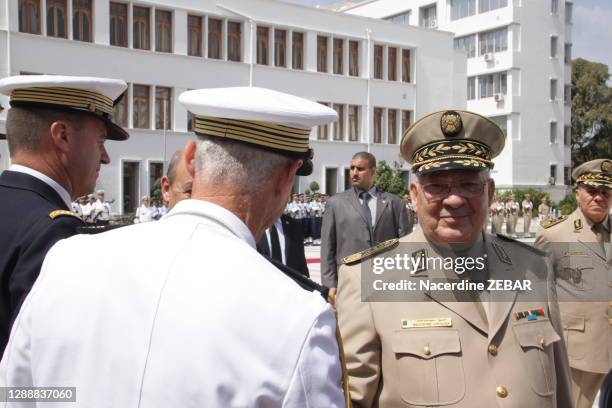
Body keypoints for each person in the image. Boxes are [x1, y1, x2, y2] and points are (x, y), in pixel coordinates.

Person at [0, 86, 345, 407]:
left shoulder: (69, 258)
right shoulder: (299, 318)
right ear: (289, 175)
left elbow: (16, 393)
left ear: (192, 158)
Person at [336, 110, 572, 407]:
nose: (455, 199)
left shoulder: (534, 268)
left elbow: (562, 388)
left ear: (490, 191)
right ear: (414, 195)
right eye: (436, 186)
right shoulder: (366, 278)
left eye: (469, 184)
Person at [0, 75, 128, 356]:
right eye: (101, 140)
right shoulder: (54, 230)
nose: (105, 157)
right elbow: (52, 360)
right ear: (63, 136)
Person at [535, 158, 612, 408]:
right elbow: (538, 292)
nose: (599, 198)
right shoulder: (555, 234)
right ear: (578, 194)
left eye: (605, 192)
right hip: (576, 350)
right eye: (592, 191)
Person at [321, 151, 409, 299]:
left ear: (373, 172)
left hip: (386, 282)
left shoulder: (394, 203)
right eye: (352, 168)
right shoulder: (336, 203)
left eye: (360, 169)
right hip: (349, 284)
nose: (354, 173)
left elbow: (405, 244)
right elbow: (328, 247)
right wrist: (330, 284)